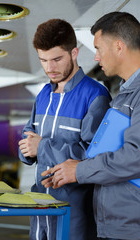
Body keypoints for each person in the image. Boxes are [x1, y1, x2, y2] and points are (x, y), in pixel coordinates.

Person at [41, 12, 140, 240]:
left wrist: (80, 170)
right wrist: (69, 169)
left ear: (118, 46)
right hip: (116, 225)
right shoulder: (124, 96)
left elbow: (135, 156)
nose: (96, 57)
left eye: (98, 48)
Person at [19, 18, 111, 240]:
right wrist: (26, 149)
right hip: (40, 205)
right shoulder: (43, 94)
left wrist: (42, 147)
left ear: (74, 53)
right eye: (44, 60)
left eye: (57, 59)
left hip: (74, 208)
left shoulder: (95, 95)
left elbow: (95, 156)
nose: (50, 68)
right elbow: (28, 139)